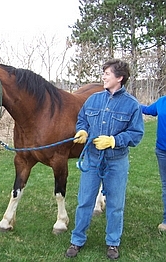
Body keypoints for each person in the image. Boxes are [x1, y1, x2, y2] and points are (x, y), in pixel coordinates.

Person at [65, 59, 144, 260]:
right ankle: (77, 239)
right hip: (92, 159)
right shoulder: (93, 100)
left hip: (116, 162)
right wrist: (82, 130)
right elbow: (82, 119)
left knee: (115, 204)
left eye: (107, 73)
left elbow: (136, 134)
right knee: (84, 201)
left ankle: (113, 243)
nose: (103, 77)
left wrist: (114, 141)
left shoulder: (132, 105)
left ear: (119, 78)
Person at [140, 96, 166, 231]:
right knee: (165, 185)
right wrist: (131, 103)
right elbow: (148, 110)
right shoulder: (162, 101)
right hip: (162, 150)